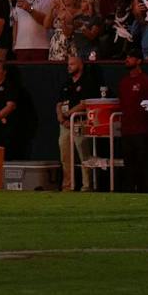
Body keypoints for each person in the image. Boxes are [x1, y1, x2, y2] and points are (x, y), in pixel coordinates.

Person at [116, 53, 148, 192]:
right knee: (129, 164)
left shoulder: (146, 81)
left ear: (139, 61)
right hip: (127, 130)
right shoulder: (123, 82)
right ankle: (129, 190)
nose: (127, 59)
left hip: (142, 130)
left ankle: (147, 190)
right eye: (126, 57)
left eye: (131, 57)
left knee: (144, 164)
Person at [56, 51, 98, 191]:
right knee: (65, 155)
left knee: (83, 154)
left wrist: (69, 113)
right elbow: (59, 103)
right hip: (65, 125)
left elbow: (84, 103)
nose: (69, 67)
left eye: (72, 64)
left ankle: (87, 185)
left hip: (80, 122)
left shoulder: (88, 81)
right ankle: (68, 184)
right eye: (68, 64)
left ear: (80, 65)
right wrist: (61, 118)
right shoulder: (66, 84)